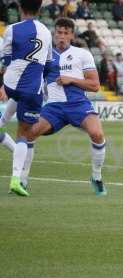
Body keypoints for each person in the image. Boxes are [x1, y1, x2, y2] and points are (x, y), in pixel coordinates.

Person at [19, 18, 107, 196]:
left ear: (72, 35)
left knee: (97, 134)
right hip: (53, 107)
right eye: (59, 32)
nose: (62, 36)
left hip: (79, 105)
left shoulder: (83, 54)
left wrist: (71, 79)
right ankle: (22, 179)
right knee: (29, 133)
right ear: (54, 34)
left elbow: (95, 85)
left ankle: (96, 177)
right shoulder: (43, 56)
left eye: (66, 33)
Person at [0, 0, 53, 196]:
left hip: (11, 83)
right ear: (39, 9)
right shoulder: (46, 32)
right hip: (32, 88)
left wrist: (4, 85)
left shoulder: (11, 29)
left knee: (16, 98)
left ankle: (1, 121)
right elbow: (48, 65)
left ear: (20, 9)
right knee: (23, 134)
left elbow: (5, 60)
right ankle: (16, 180)